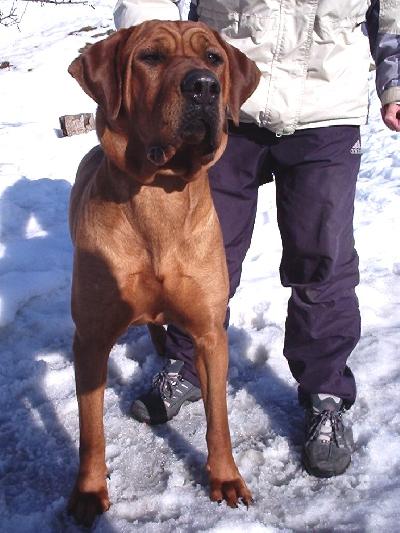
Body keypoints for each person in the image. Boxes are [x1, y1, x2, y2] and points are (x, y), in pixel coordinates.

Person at [113, 0, 400, 477]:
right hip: (221, 102)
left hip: (326, 107)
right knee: (199, 254)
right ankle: (186, 361)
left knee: (322, 261)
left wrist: (395, 79)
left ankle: (325, 391)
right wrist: (147, 63)